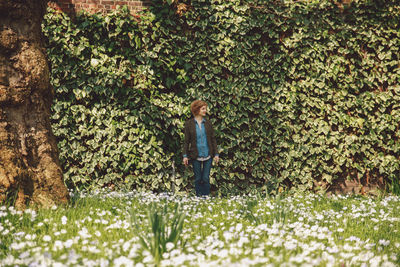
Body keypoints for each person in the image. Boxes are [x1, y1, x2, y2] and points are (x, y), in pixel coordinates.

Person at [183, 100, 219, 196]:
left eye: (205, 109)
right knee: (198, 178)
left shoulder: (208, 123)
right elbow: (186, 141)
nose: (205, 111)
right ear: (197, 109)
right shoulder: (189, 124)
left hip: (208, 155)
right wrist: (185, 156)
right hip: (195, 155)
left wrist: (216, 154)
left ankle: (206, 198)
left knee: (206, 178)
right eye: (203, 109)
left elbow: (213, 139)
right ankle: (198, 199)